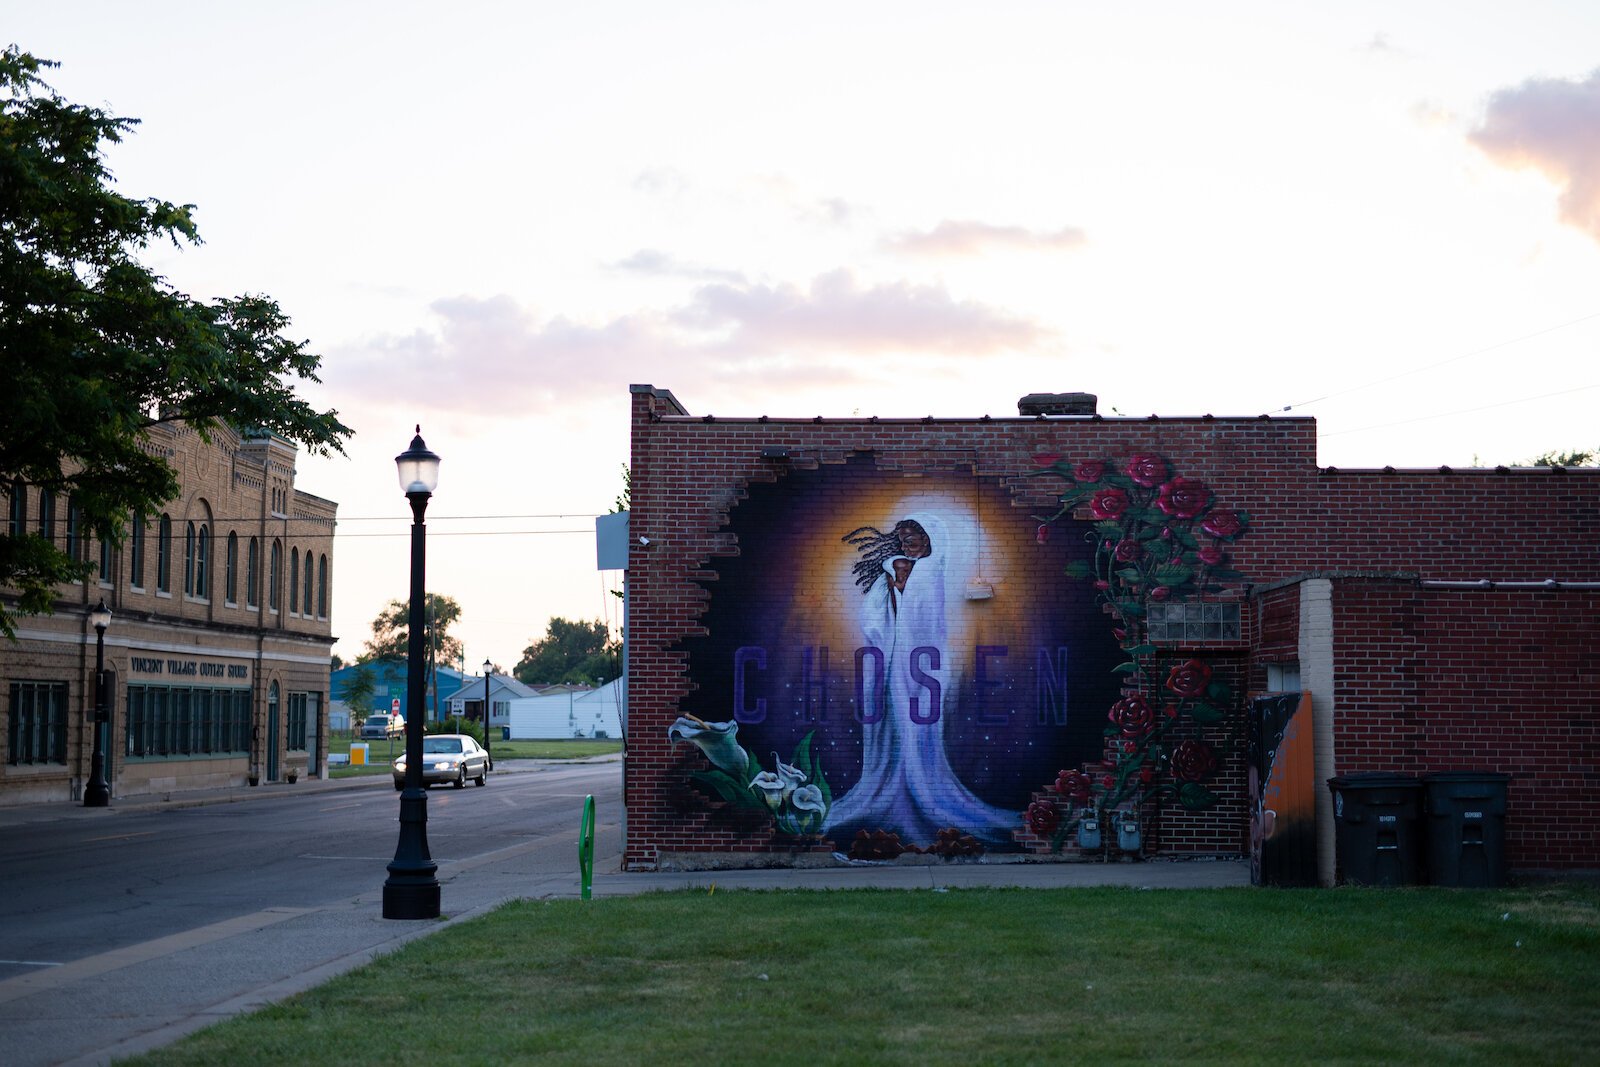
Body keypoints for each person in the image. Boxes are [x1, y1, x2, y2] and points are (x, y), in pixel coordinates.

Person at [825, 511, 1017, 846]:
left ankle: (922, 786)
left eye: (911, 538)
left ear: (928, 538)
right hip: (901, 656)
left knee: (920, 723)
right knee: (897, 720)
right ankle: (896, 784)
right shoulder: (903, 565)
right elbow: (885, 606)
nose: (905, 544)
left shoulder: (932, 570)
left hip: (923, 659)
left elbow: (926, 609)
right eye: (901, 539)